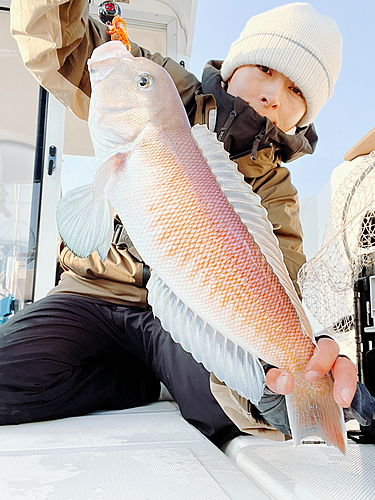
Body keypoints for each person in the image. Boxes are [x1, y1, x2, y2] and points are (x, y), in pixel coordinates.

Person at [3, 1, 372, 446]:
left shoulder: (278, 192)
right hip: (94, 293)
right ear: (233, 66)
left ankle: (292, 394)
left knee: (228, 411)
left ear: (304, 117)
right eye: (264, 68)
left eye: (297, 92)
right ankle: (131, 377)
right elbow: (60, 42)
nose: (274, 94)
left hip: (180, 321)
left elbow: (280, 285)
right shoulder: (163, 88)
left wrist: (308, 356)